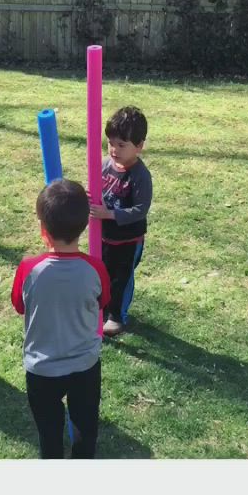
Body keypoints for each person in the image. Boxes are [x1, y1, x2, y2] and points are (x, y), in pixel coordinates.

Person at [11, 179, 110, 458]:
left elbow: (20, 305)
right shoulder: (96, 268)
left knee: (49, 434)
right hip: (85, 367)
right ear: (84, 226)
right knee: (85, 431)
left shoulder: (29, 268)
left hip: (42, 370)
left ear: (44, 231)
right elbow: (103, 302)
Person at [89, 106, 152, 337]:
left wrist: (111, 215)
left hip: (128, 240)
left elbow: (140, 209)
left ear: (139, 146)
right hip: (104, 236)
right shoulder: (106, 165)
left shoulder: (140, 175)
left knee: (121, 278)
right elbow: (98, 193)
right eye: (110, 143)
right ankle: (102, 308)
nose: (114, 150)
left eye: (121, 145)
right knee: (102, 273)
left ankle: (117, 316)